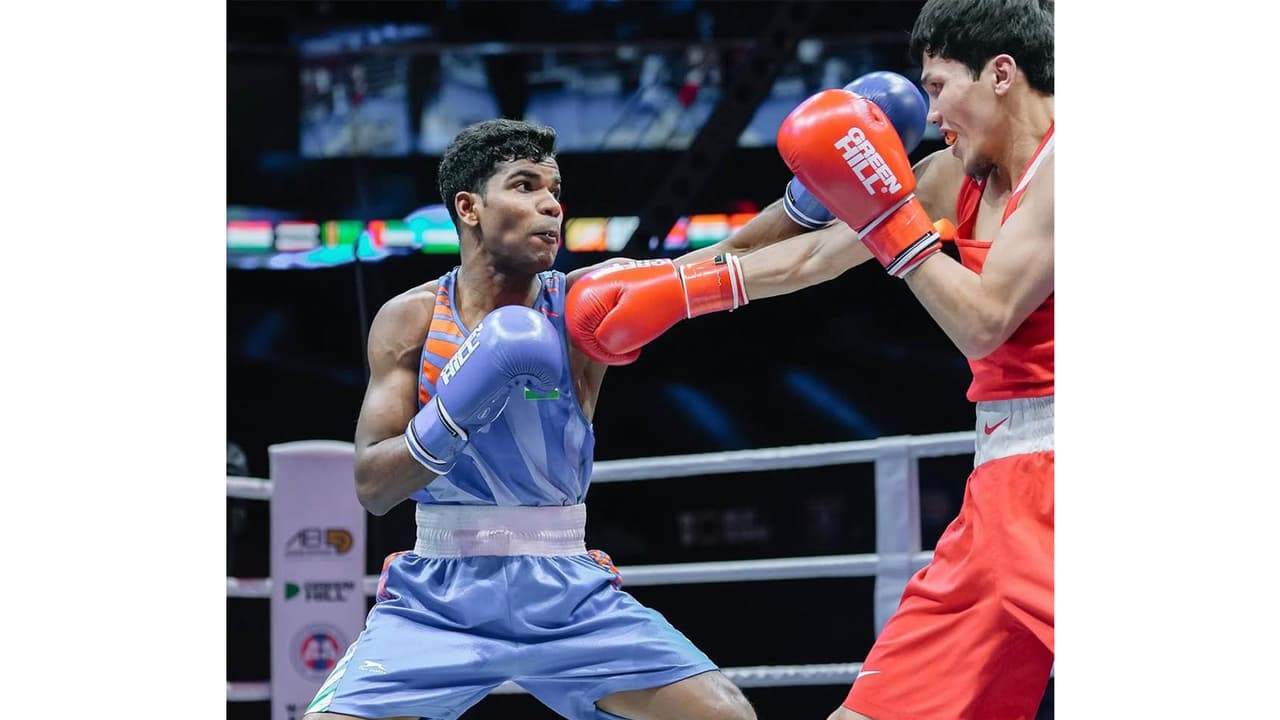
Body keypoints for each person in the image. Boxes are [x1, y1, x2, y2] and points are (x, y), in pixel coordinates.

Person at [567, 1, 1054, 717]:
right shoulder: (956, 175)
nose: (932, 111)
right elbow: (818, 256)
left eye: (941, 85)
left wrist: (895, 225)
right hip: (997, 494)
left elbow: (984, 322)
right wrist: (668, 283)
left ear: (1002, 74)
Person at [303, 119, 755, 720]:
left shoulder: (581, 308)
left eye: (554, 191)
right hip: (438, 596)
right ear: (469, 207)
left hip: (566, 589)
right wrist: (454, 412)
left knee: (724, 716)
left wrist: (811, 204)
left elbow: (728, 257)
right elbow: (373, 487)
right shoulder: (409, 320)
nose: (550, 206)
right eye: (524, 186)